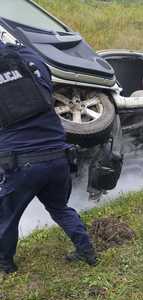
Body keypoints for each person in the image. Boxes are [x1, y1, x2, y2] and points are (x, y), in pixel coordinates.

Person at [0, 41, 97, 275]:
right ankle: (87, 251)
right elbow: (46, 77)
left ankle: (5, 264)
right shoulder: (30, 60)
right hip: (58, 157)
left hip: (22, 164)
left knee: (6, 217)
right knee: (60, 207)